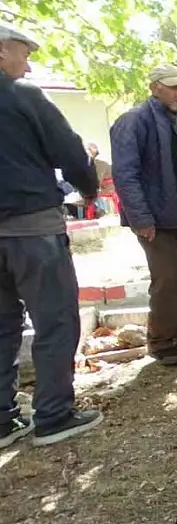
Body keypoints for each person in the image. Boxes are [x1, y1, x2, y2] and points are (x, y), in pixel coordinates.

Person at [0, 24, 104, 447]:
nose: (28, 63)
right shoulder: (23, 96)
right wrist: (90, 187)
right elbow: (69, 149)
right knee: (55, 319)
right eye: (23, 53)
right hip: (31, 227)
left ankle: (3, 421)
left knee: (2, 325)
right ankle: (54, 414)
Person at [112, 64, 177, 366]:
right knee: (168, 280)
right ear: (155, 87)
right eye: (174, 87)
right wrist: (141, 218)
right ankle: (160, 341)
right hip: (155, 219)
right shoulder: (133, 122)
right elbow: (125, 175)